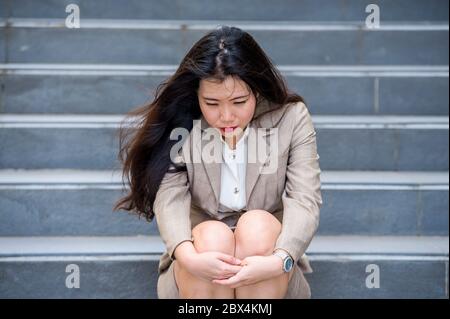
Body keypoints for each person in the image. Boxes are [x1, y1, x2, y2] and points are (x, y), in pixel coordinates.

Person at [114, 25, 323, 299]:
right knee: (213, 237)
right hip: (198, 255)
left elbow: (304, 198)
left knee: (257, 226)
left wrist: (281, 259)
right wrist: (187, 255)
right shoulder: (185, 120)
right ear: (197, 96)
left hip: (270, 257)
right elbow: (170, 198)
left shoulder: (292, 118)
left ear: (256, 90)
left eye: (239, 101)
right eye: (211, 103)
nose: (226, 116)